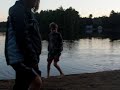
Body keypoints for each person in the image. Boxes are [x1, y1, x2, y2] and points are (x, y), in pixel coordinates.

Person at [5, 0, 42, 90]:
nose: (37, 2)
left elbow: (32, 36)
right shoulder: (18, 10)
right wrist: (32, 57)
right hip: (19, 57)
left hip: (28, 56)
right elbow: (22, 36)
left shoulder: (28, 11)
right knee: (36, 81)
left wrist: (35, 55)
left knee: (22, 84)